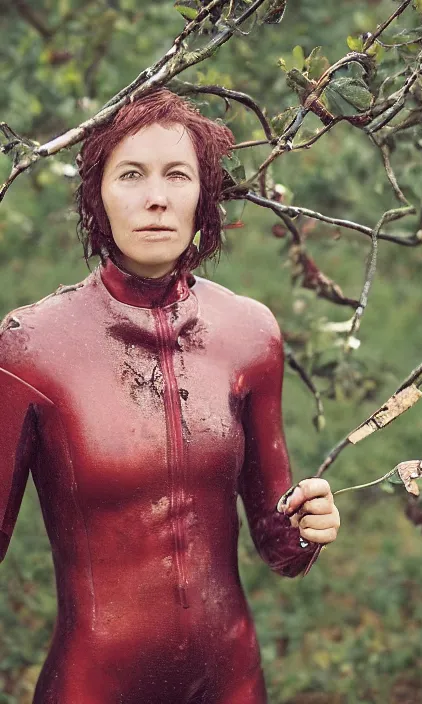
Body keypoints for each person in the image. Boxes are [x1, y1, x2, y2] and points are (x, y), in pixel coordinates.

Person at [0, 88, 340, 703]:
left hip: (231, 681)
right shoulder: (30, 346)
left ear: (202, 198)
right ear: (96, 196)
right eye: (131, 174)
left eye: (177, 175)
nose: (155, 197)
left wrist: (308, 525)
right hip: (94, 685)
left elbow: (277, 543)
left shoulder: (250, 333)